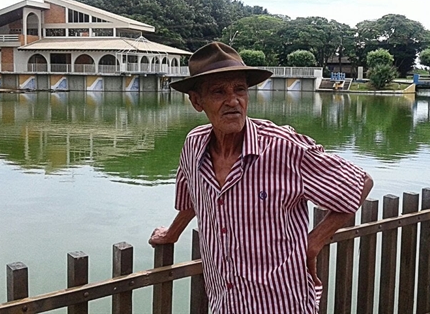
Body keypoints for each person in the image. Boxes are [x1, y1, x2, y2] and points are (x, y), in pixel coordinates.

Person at [149, 41, 373, 314]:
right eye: (219, 92)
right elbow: (194, 198)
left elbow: (359, 183)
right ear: (197, 101)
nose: (233, 101)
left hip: (282, 303)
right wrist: (172, 234)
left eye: (240, 90)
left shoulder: (283, 146)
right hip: (225, 302)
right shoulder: (193, 145)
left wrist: (314, 243)